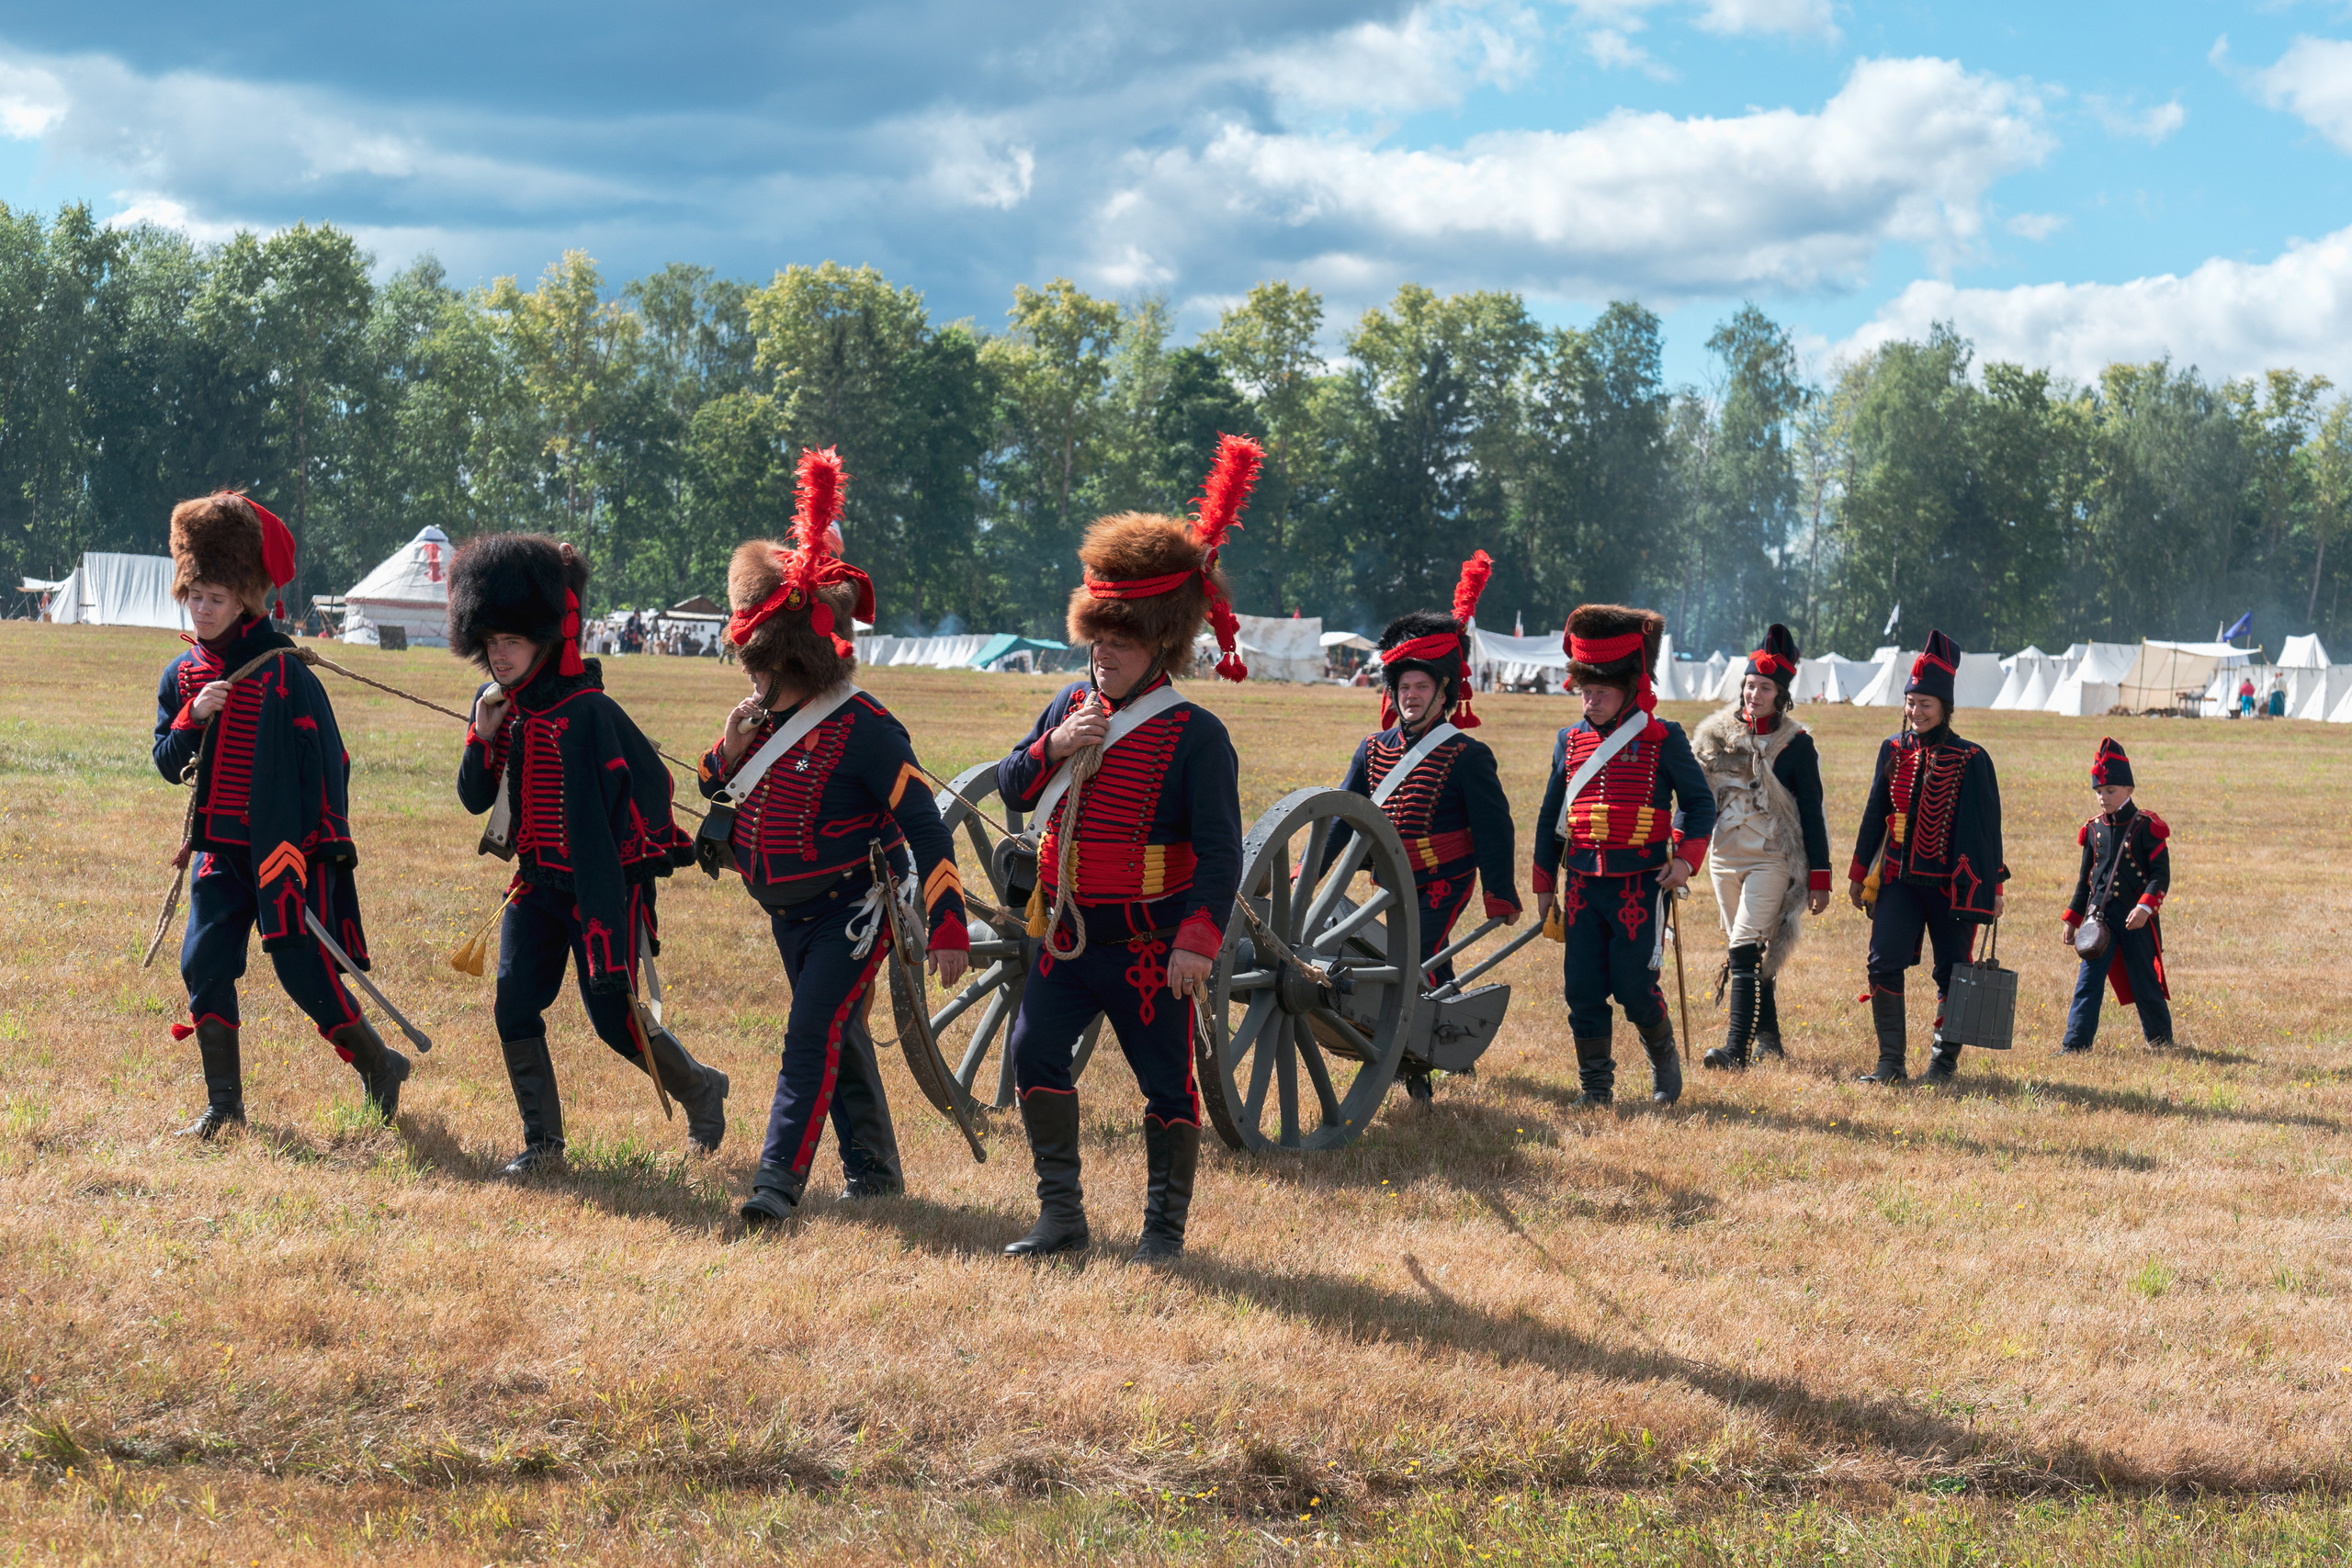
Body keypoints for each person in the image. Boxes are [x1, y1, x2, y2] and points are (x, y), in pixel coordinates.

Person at [992, 435, 1255, 1262]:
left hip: (1150, 948)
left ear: (1162, 644)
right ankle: (1061, 1215)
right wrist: (1057, 744)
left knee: (1167, 1087)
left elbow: (1220, 855)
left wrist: (1197, 942)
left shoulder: (1196, 735)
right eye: (1097, 638)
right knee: (1034, 1051)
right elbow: (1012, 788)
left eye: (1122, 641)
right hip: (1067, 935)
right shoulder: (1068, 704)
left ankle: (1163, 1233)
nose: (1103, 653)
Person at [699, 450, 972, 1227]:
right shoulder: (757, 718)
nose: (752, 672)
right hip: (786, 912)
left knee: (810, 1034)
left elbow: (924, 825)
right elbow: (714, 789)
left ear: (787, 650)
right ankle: (877, 1173)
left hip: (853, 909)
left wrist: (949, 923)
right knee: (839, 1030)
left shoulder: (870, 730)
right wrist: (727, 744)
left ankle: (775, 1186)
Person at [449, 535, 725, 1175]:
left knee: (611, 1019)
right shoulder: (502, 712)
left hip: (599, 893)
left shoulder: (592, 711)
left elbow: (653, 785)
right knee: (513, 1002)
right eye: (490, 642)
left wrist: (631, 862)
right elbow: (473, 798)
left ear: (547, 638)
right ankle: (544, 1145)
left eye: (511, 641)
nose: (499, 653)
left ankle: (701, 1087)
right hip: (535, 886)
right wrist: (480, 737)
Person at [153, 491, 409, 1137]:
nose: (203, 609)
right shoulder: (181, 676)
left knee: (301, 967)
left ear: (245, 598)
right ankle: (224, 1107)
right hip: (217, 849)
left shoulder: (287, 673)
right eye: (195, 595)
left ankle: (379, 1062)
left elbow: (331, 763)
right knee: (202, 961)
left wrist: (317, 849)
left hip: (279, 854)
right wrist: (193, 718)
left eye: (216, 597)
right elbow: (165, 759)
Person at [1324, 550, 1520, 1101]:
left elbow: (1496, 829)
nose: (1409, 696)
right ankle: (1452, 1031)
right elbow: (1344, 817)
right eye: (1402, 687)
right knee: (1432, 959)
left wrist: (1500, 893)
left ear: (1443, 691)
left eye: (1420, 686)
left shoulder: (1468, 754)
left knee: (1405, 959)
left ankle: (1414, 1068)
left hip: (1443, 878)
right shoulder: (1372, 749)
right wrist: (1305, 876)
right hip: (1388, 879)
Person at [1532, 605, 1714, 1108]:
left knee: (1635, 987)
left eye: (1602, 693)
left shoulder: (1664, 738)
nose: (1590, 702)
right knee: (1583, 989)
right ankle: (1596, 1087)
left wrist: (1684, 861)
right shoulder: (1568, 742)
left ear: (1630, 689)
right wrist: (1545, 883)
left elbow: (1700, 804)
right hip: (1584, 883)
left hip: (1640, 882)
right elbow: (1553, 815)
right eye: (1585, 692)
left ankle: (1663, 1057)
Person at [1848, 629, 2007, 1086]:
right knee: (1882, 961)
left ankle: (1942, 1065)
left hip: (1951, 886)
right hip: (1897, 878)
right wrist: (1860, 875)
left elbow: (1986, 832)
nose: (1915, 712)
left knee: (1953, 972)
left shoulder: (1972, 758)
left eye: (1926, 705)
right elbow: (1874, 815)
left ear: (1945, 708)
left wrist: (1992, 888)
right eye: (1911, 703)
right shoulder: (1892, 751)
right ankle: (1890, 1063)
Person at [1691, 624, 1830, 1069]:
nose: (1754, 694)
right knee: (1744, 948)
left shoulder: (1797, 745)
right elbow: (1695, 801)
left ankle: (1735, 1050)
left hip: (1773, 858)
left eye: (1764, 687)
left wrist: (1820, 876)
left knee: (1745, 944)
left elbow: (1812, 812)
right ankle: (1767, 1037)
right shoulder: (1714, 737)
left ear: (1781, 694)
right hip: (1724, 857)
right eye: (1750, 685)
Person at [2058, 739, 2173, 1053]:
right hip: (2100, 920)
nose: (2103, 798)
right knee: (2088, 982)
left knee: (2144, 979)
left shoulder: (2147, 827)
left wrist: (2145, 907)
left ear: (2129, 790)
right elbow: (2086, 882)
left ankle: (2160, 1040)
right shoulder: (2093, 830)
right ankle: (2075, 1044)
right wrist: (2073, 918)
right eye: (2099, 791)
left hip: (2136, 919)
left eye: (2110, 791)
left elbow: (2160, 876)